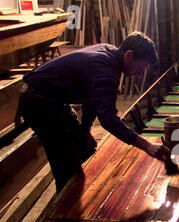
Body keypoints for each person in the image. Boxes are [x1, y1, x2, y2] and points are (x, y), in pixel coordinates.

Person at [19, 31, 170, 193]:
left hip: (52, 97)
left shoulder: (110, 52)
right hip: (36, 101)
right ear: (129, 55)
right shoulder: (106, 72)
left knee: (85, 147)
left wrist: (85, 129)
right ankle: (64, 208)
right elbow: (108, 119)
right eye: (140, 67)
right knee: (67, 167)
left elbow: (91, 97)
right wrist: (146, 145)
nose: (140, 74)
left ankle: (76, 189)